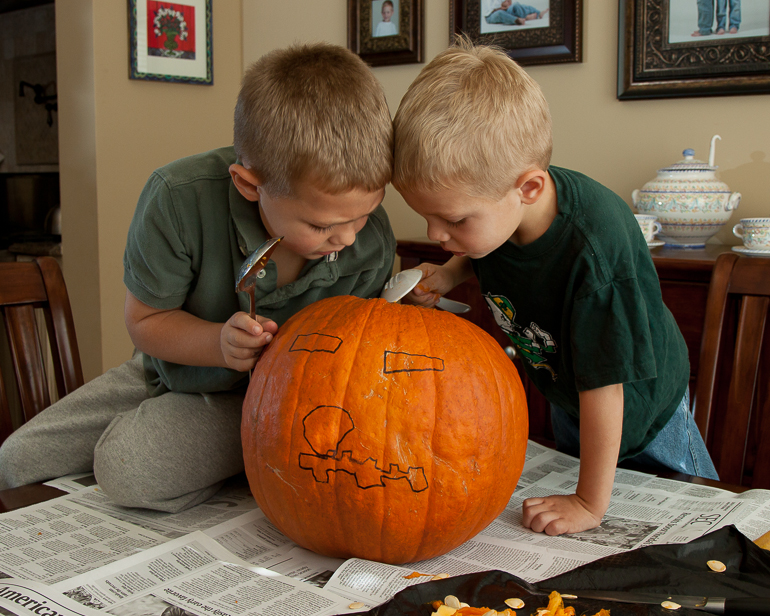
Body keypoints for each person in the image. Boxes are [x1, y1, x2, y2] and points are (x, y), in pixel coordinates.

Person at [0, 42, 396, 513]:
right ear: (250, 185)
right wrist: (219, 346)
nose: (349, 239)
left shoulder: (370, 239)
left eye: (363, 215)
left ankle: (239, 455)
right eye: (322, 226)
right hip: (168, 368)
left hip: (278, 403)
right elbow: (146, 321)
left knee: (128, 467)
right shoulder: (176, 199)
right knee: (15, 462)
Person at [391, 38, 718, 536]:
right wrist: (453, 271)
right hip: (570, 395)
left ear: (529, 189)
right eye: (427, 217)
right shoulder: (500, 209)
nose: (436, 235)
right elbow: (487, 252)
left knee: (691, 532)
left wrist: (588, 503)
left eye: (452, 219)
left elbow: (606, 389)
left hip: (641, 414)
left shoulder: (594, 252)